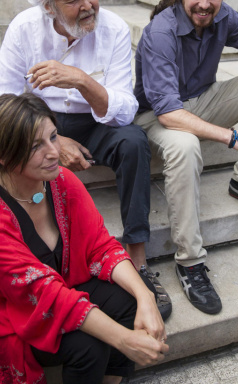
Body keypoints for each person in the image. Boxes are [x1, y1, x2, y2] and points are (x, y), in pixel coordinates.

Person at [0, 0, 171, 319]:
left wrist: (79, 80)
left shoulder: (112, 29)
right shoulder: (24, 29)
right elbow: (8, 104)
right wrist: (54, 140)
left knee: (133, 142)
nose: (88, 4)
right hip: (39, 125)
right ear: (49, 5)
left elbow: (124, 108)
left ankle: (138, 260)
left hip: (99, 122)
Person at [134, 0, 238, 315]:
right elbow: (169, 113)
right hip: (157, 116)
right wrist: (231, 137)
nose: (205, 3)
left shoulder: (224, 16)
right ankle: (190, 261)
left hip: (202, 98)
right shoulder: (160, 32)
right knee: (186, 146)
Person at [0, 92, 169, 384]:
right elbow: (43, 293)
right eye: (35, 146)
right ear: (4, 156)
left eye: (54, 136)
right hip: (20, 311)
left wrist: (146, 296)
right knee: (90, 346)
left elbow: (101, 246)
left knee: (130, 298)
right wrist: (124, 340)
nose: (54, 152)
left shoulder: (62, 182)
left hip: (63, 288)